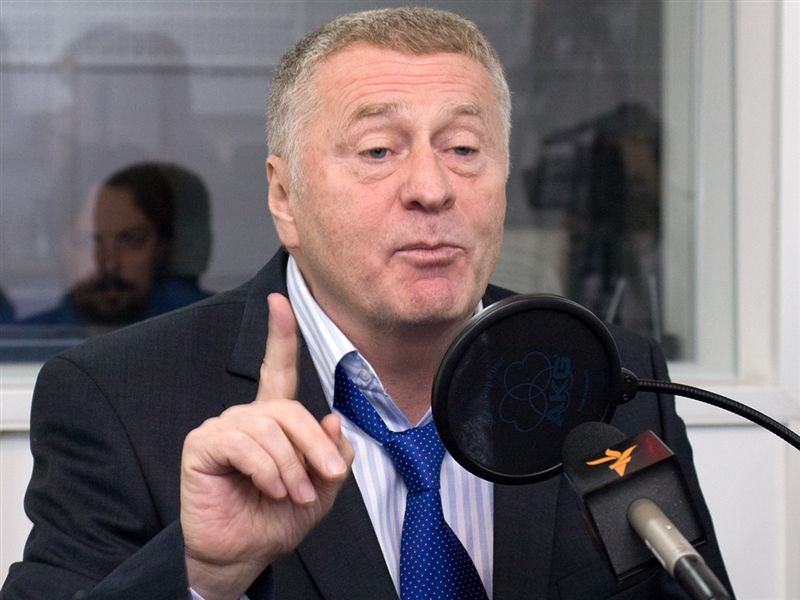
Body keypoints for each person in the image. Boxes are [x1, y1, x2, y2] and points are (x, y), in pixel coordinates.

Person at [1, 7, 731, 599]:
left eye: (463, 149)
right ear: (283, 195)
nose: (432, 189)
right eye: (379, 150)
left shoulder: (604, 374)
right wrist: (203, 576)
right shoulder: (120, 400)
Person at [24, 161, 211, 331]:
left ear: (162, 248)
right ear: (58, 248)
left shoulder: (206, 328)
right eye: (87, 242)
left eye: (131, 240)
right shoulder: (22, 343)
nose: (110, 264)